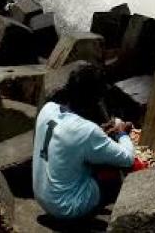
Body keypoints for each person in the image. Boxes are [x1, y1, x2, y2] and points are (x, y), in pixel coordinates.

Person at [32, 66, 135, 220]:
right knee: (113, 176)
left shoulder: (48, 109)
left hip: (42, 196)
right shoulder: (86, 131)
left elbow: (71, 139)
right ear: (94, 100)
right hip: (65, 207)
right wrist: (121, 133)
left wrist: (99, 132)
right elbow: (128, 158)